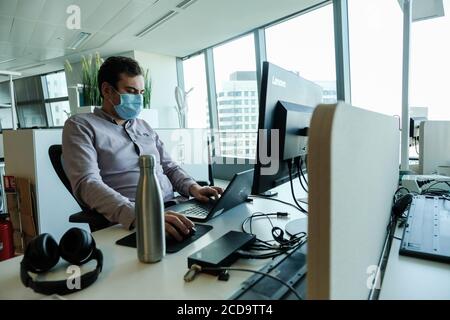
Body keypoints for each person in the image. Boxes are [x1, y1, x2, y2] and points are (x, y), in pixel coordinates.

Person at [62, 56, 223, 241]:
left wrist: (194, 188)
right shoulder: (80, 126)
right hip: (133, 220)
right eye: (131, 91)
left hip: (174, 209)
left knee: (221, 234)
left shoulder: (144, 126)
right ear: (107, 90)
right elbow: (87, 183)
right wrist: (141, 216)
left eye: (141, 92)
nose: (138, 98)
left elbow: (169, 167)